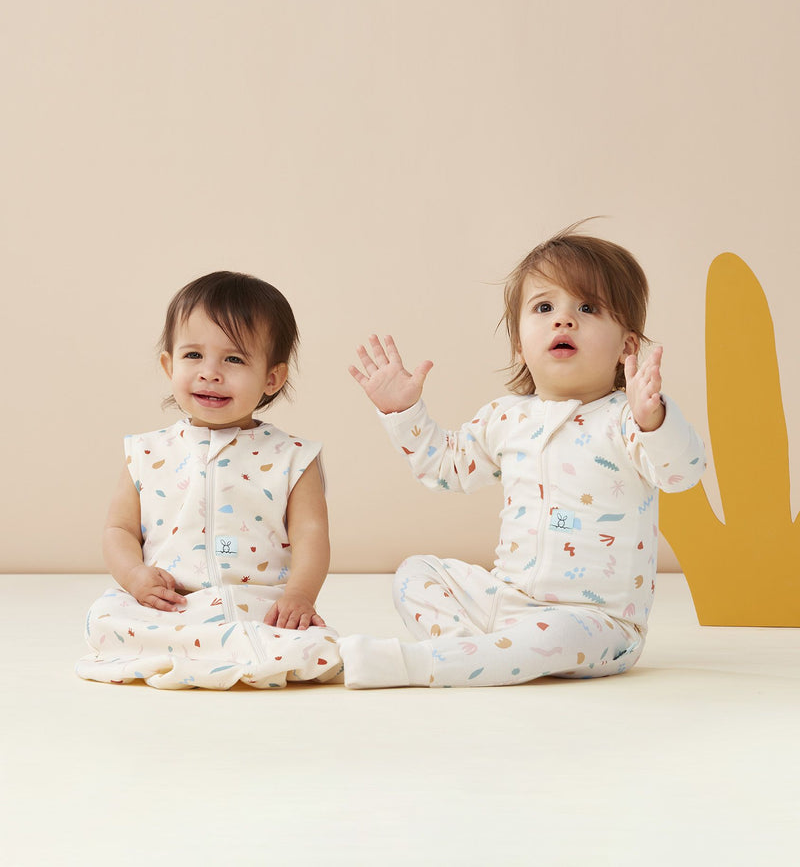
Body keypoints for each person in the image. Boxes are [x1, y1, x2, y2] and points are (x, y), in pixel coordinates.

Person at [341, 221, 706, 688]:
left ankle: (425, 664)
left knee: (555, 633)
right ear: (519, 344)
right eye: (545, 307)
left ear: (626, 348)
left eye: (588, 307)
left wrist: (653, 418)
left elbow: (682, 473)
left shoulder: (626, 419)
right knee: (416, 573)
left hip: (595, 624)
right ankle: (475, 655)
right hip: (508, 602)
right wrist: (403, 410)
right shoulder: (505, 417)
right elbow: (446, 469)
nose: (563, 319)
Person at [76, 271, 341, 689]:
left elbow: (311, 535)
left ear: (272, 378)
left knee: (314, 645)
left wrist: (299, 597)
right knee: (105, 618)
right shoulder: (147, 451)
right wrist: (135, 577)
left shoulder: (293, 456)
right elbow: (119, 529)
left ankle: (232, 647)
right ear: (169, 364)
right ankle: (214, 650)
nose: (210, 373)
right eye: (193, 356)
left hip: (256, 603)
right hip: (171, 605)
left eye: (234, 359)